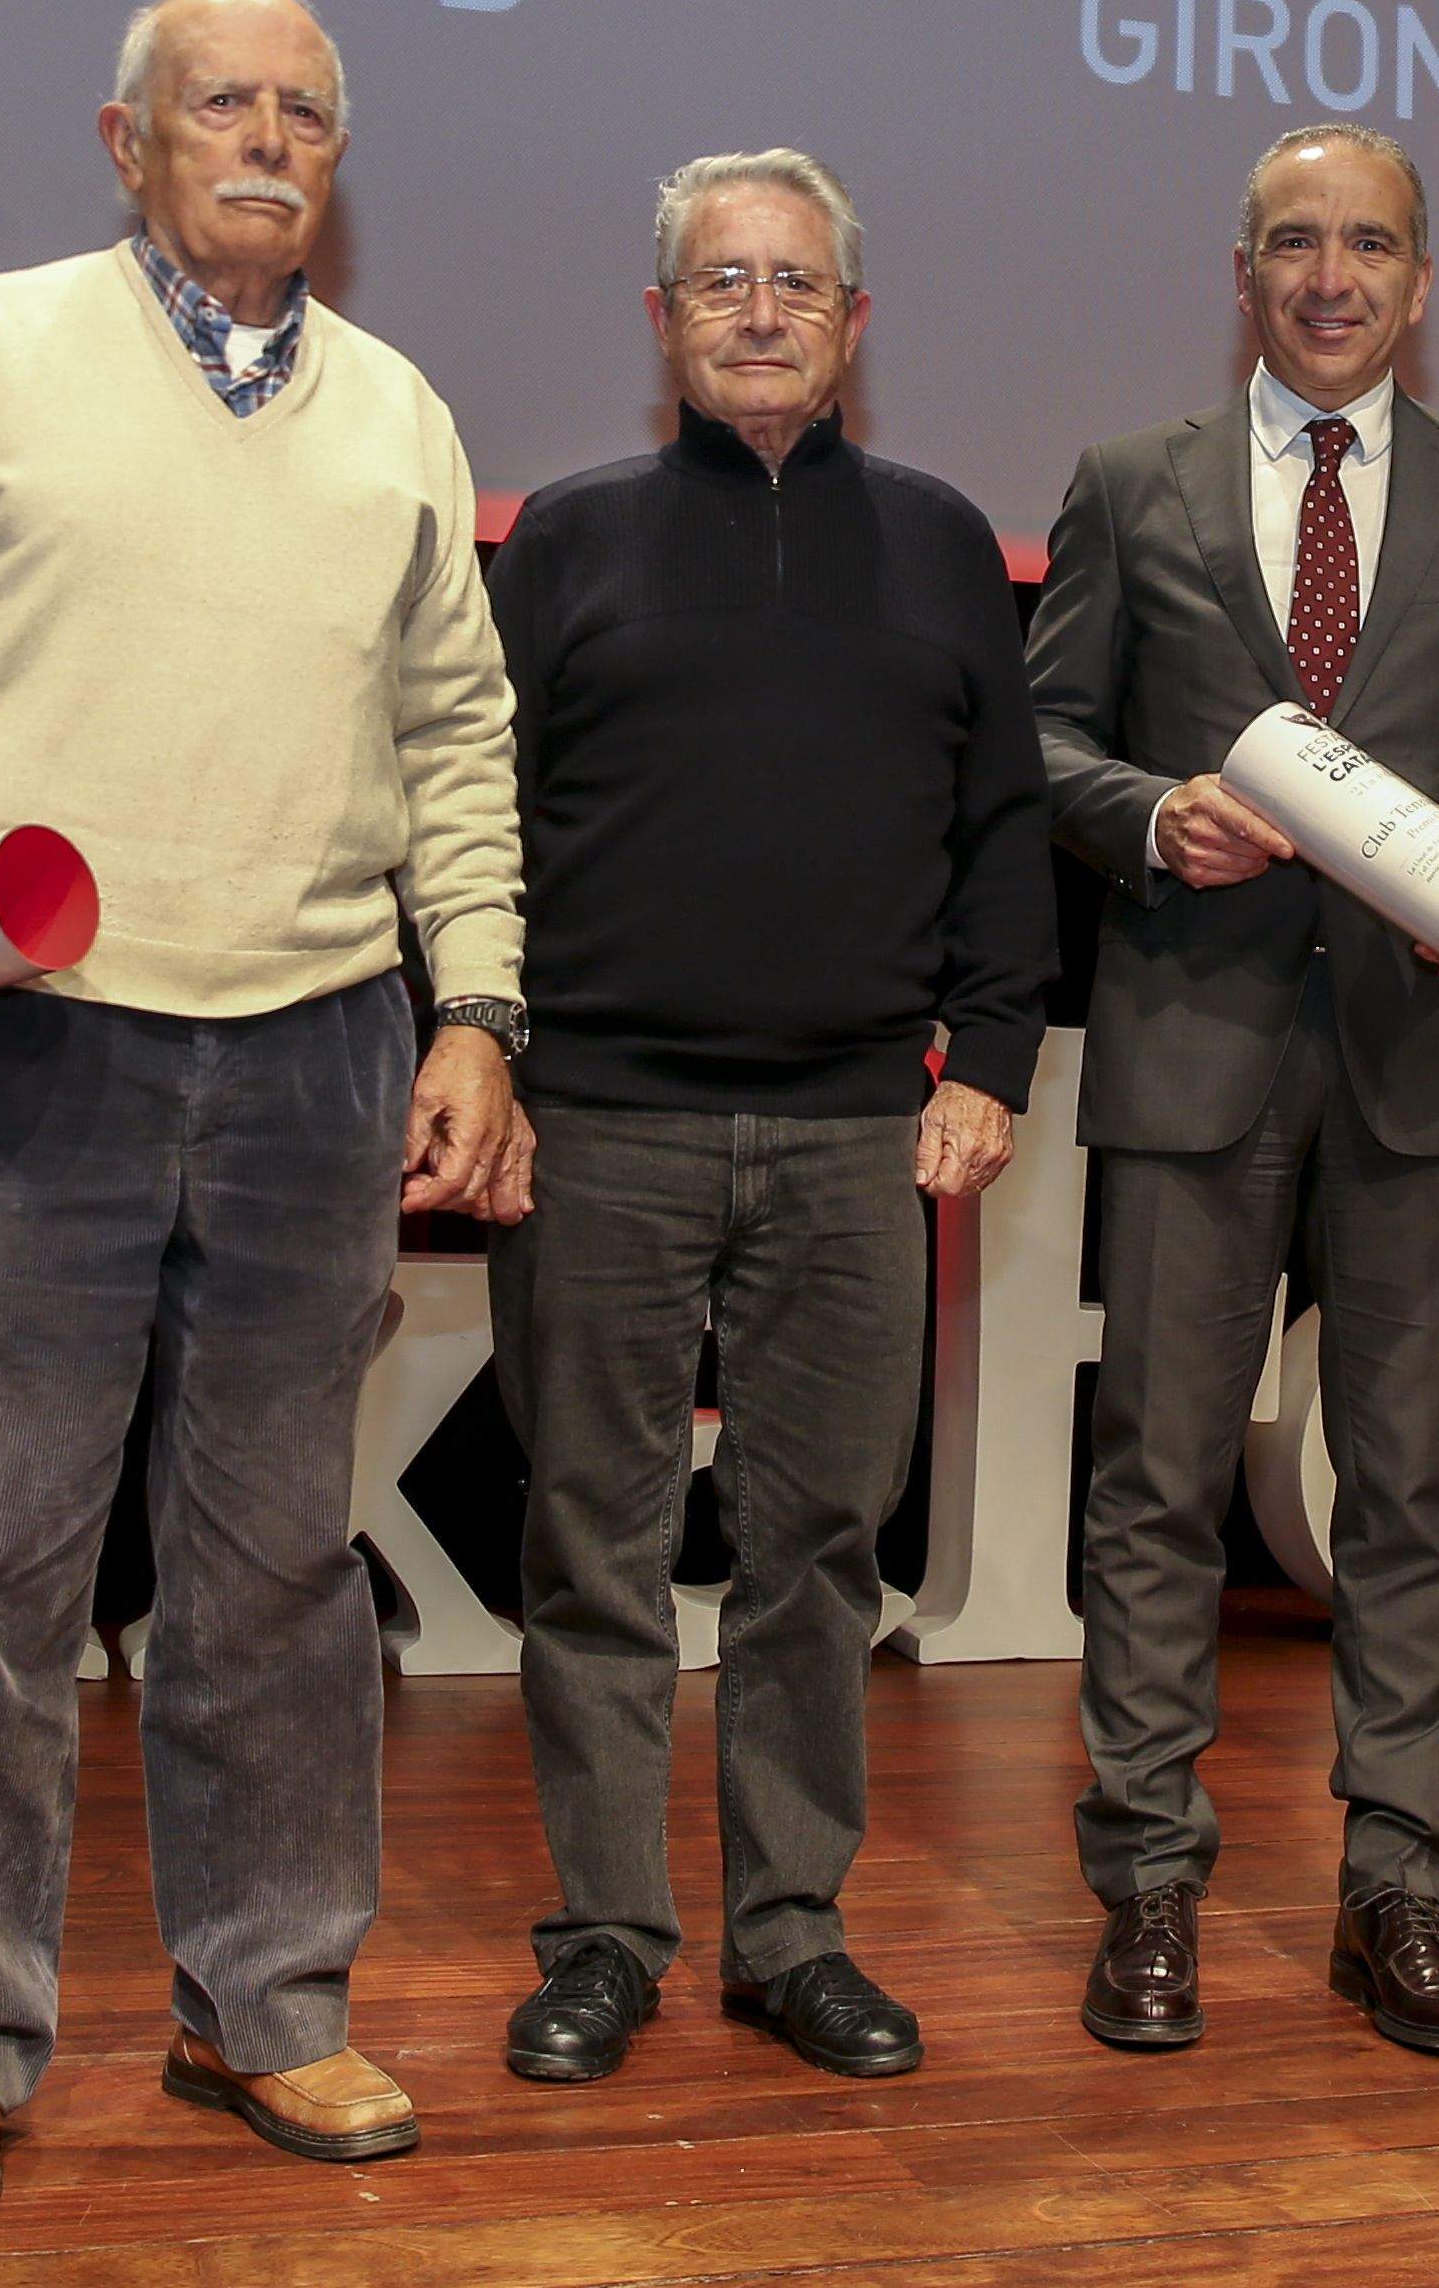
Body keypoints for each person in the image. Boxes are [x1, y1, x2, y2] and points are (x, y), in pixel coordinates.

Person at [0, 0, 535, 2226]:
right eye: (216, 103)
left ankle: (267, 2006)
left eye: (302, 112)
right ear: (123, 139)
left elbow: (458, 746)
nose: (262, 138)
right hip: (19, 1051)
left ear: (335, 159)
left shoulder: (396, 412)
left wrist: (476, 1009)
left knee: (275, 1570)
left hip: (317, 1052)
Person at [480, 148, 1053, 2088]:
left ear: (851, 321)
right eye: (719, 282)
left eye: (794, 283)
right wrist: (478, 1042)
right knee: (593, 1548)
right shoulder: (561, 537)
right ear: (659, 322)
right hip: (601, 1125)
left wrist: (991, 1057)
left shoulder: (943, 540)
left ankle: (790, 1932)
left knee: (819, 1549)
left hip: (848, 1137)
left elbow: (998, 831)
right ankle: (602, 1939)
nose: (757, 310)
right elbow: (476, 822)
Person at [1025, 120, 1439, 2060]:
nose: (1329, 277)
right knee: (1158, 1483)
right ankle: (1147, 1889)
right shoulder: (1129, 485)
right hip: (1192, 1045)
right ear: (1244, 276)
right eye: (1292, 244)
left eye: (1366, 246)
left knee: (1413, 1491)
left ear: (1418, 282)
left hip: (1427, 1049)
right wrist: (1143, 813)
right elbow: (1038, 739)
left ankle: (1397, 1895)